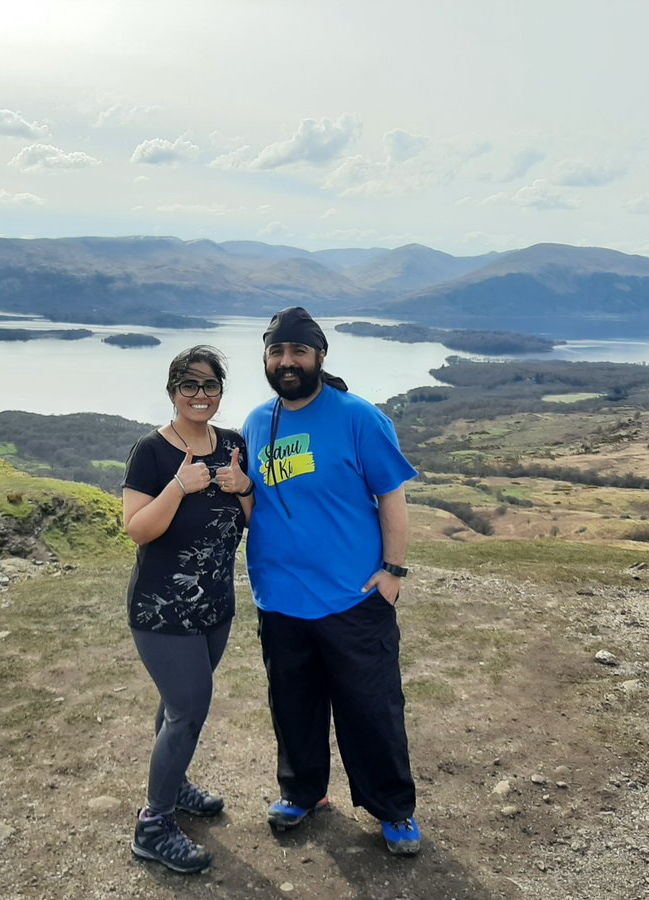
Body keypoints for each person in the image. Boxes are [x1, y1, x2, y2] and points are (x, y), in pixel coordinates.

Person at [241, 307, 422, 856]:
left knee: (371, 710)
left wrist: (391, 571)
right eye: (277, 351)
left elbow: (391, 495)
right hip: (280, 598)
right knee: (293, 705)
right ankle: (302, 792)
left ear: (319, 356)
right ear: (267, 359)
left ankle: (393, 809)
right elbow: (255, 500)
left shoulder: (357, 417)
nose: (287, 361)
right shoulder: (255, 422)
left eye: (298, 351)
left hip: (353, 597)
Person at [122, 345, 255, 874]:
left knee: (177, 705)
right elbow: (138, 528)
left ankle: (172, 787)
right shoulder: (150, 452)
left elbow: (251, 519)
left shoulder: (235, 446)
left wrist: (243, 486)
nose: (200, 395)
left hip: (215, 606)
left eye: (210, 386)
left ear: (221, 392)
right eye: (189, 385)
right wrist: (179, 487)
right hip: (162, 609)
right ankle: (153, 825)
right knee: (189, 708)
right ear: (172, 391)